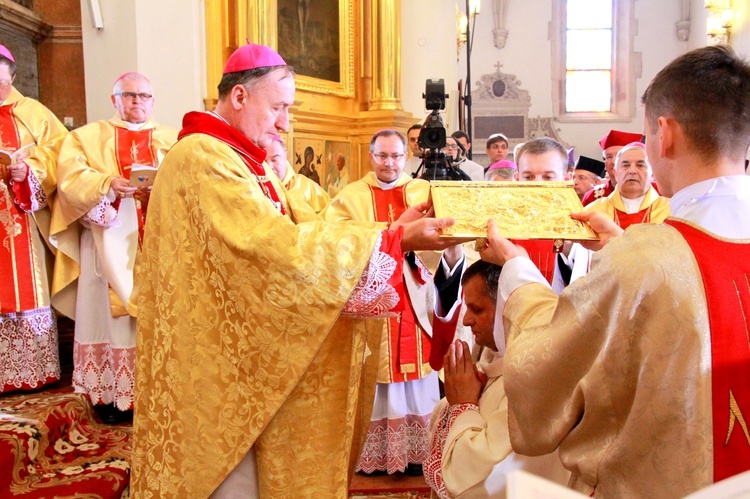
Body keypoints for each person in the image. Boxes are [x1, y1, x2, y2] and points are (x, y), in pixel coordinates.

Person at [130, 43, 463, 498]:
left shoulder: (242, 158)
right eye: (279, 107)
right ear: (241, 97)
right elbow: (272, 250)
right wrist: (393, 241)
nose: (285, 122)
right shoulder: (203, 158)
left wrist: (388, 230)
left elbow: (306, 228)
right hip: (216, 358)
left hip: (243, 350)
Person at [479, 45, 750, 497]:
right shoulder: (639, 255)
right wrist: (623, 248)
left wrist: (515, 267)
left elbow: (544, 371)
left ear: (664, 134)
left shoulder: (642, 260)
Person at [323, 128, 465, 476]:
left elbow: (447, 243)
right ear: (371, 157)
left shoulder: (424, 192)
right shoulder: (349, 197)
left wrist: (412, 247)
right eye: (382, 155)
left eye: (396, 156)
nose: (389, 163)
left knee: (417, 376)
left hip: (416, 296)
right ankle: (377, 457)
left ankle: (419, 454)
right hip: (373, 299)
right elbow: (334, 244)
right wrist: (389, 237)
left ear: (407, 156)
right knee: (378, 378)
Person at [51, 72, 177, 420]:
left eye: (144, 96)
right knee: (110, 319)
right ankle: (110, 396)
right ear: (115, 99)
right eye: (129, 95)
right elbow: (71, 180)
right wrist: (107, 184)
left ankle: (157, 393)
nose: (137, 101)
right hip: (105, 245)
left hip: (156, 243)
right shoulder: (86, 138)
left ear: (153, 101)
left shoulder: (173, 139)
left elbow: (187, 181)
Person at [424, 261, 568, 498]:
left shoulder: (529, 379)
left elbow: (476, 480)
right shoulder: (488, 358)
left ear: (508, 309)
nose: (467, 320)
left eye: (477, 310)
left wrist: (463, 406)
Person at [0, 44, 66, 394]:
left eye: (1, 82)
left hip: (22, 215)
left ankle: (32, 372)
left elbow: (61, 153)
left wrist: (29, 170)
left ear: (12, 77)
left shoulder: (34, 112)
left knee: (26, 284)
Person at [514, 137, 590, 292]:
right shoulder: (500, 225)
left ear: (567, 179)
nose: (537, 185)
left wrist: (569, 249)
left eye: (548, 177)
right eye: (528, 177)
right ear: (516, 179)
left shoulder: (584, 226)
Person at [585, 142, 670, 229]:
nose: (632, 171)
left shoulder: (670, 211)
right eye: (625, 165)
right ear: (616, 173)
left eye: (640, 165)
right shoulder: (594, 211)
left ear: (652, 174)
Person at [264, 135, 329, 212]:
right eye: (263, 162)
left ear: (285, 156)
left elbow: (330, 217)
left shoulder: (308, 187)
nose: (269, 166)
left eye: (274, 160)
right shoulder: (254, 190)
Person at [581, 129, 642, 206]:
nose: (613, 161)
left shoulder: (655, 192)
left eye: (618, 155)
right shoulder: (592, 197)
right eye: (609, 157)